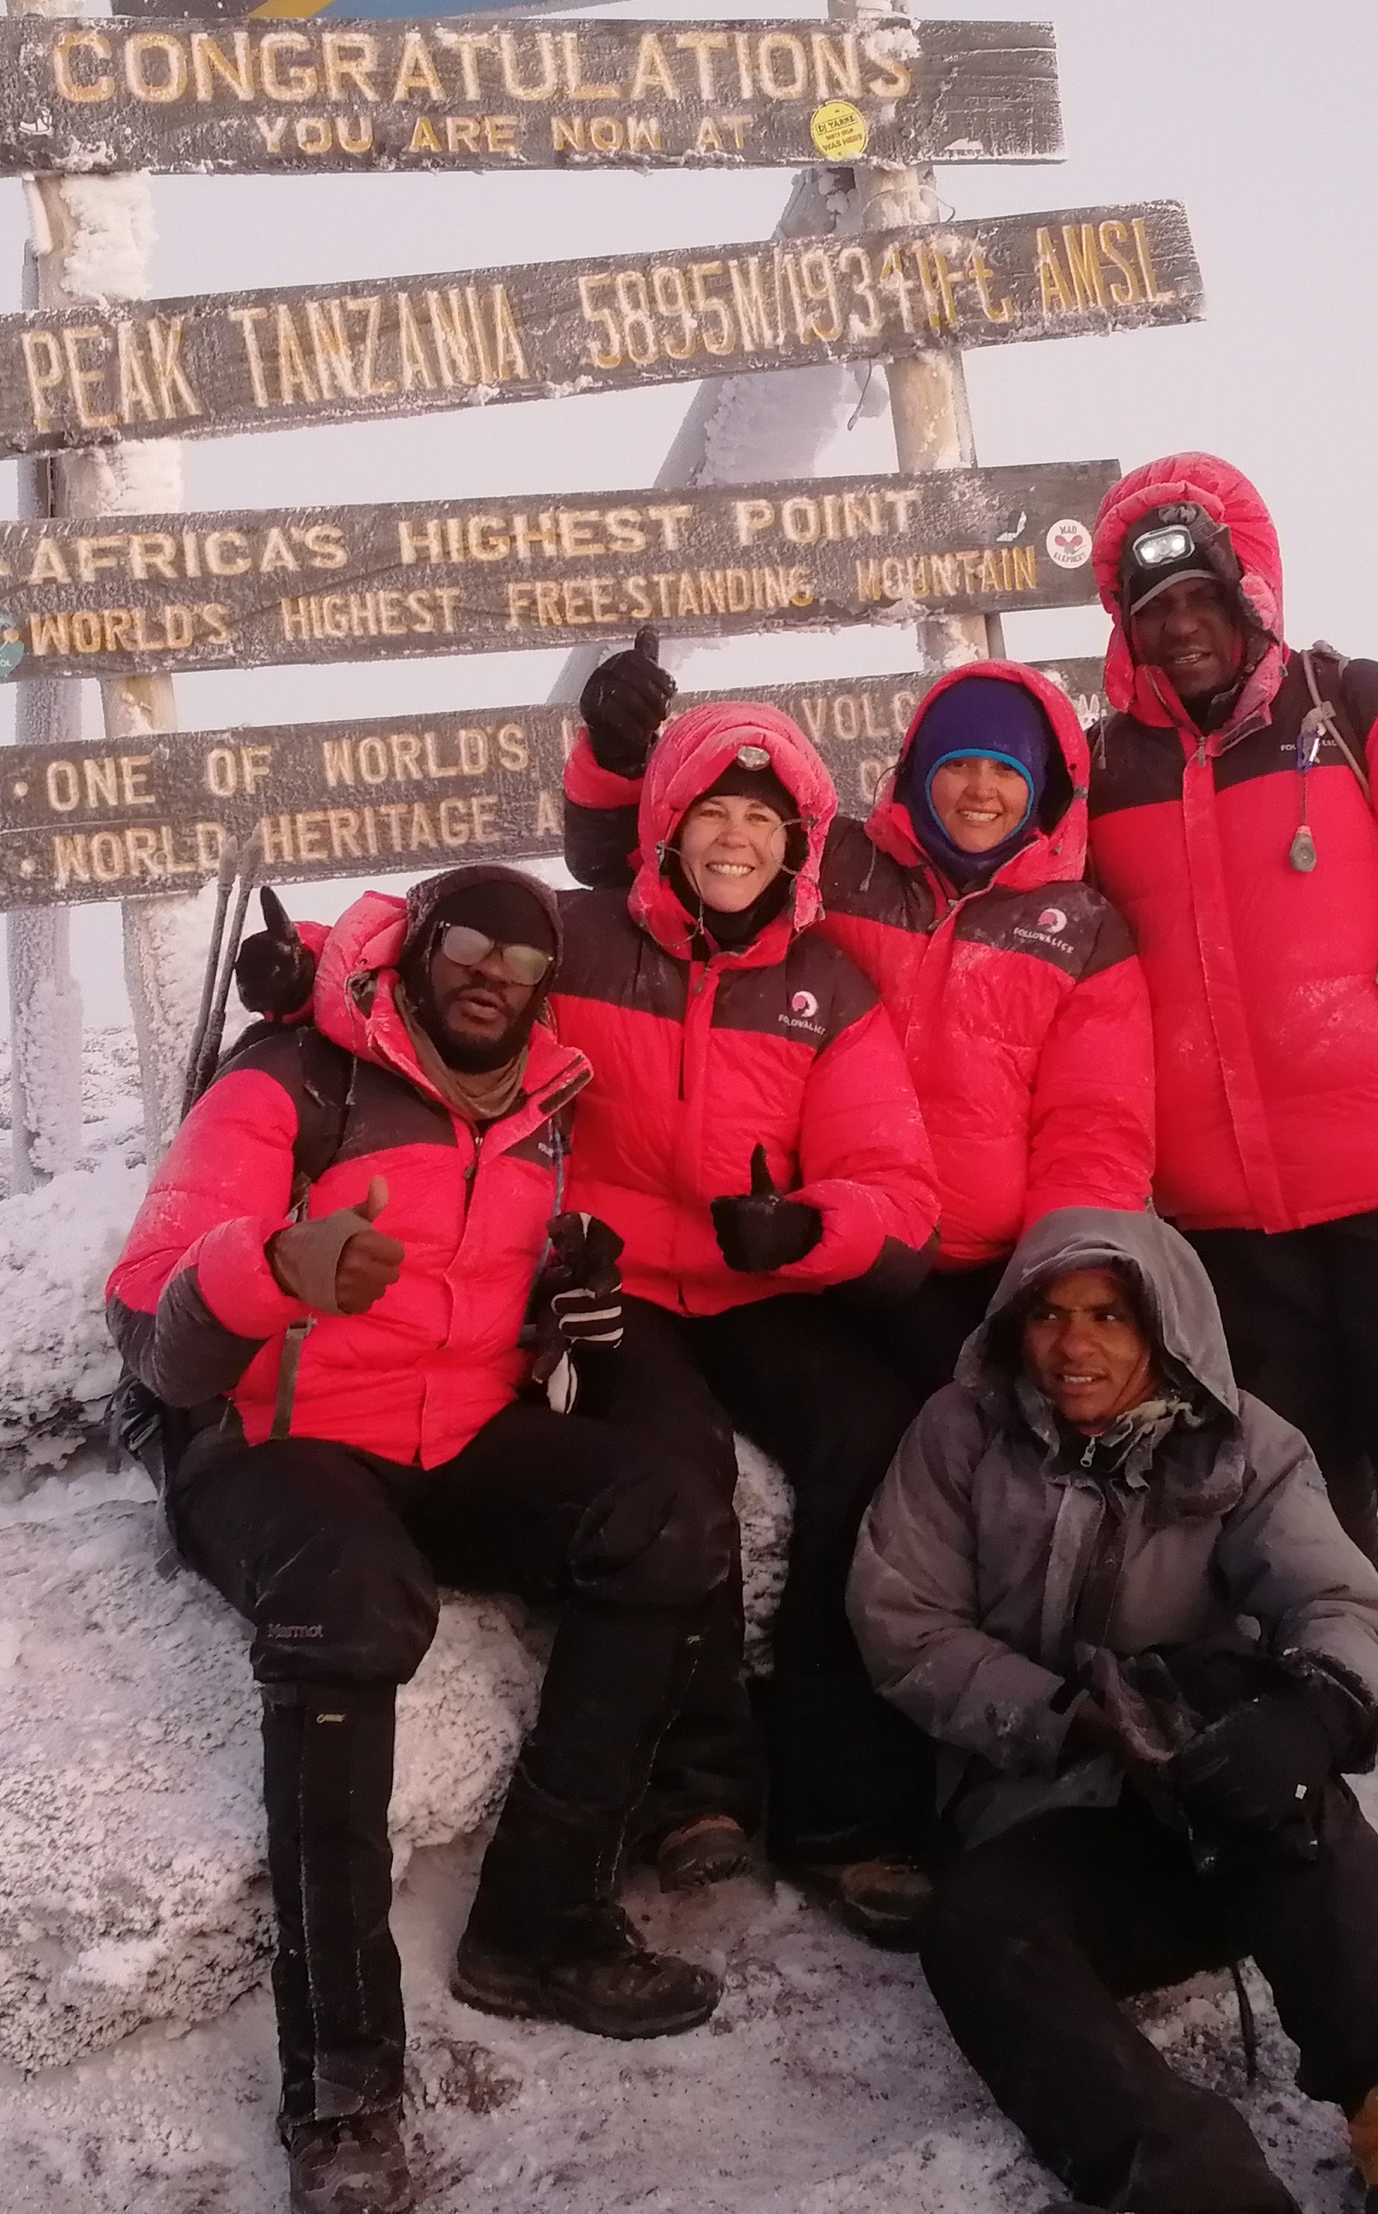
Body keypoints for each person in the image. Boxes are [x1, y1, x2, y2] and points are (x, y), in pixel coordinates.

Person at [111, 864, 732, 2214]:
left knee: (668, 1516)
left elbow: (489, 1295)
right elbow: (150, 1330)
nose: (491, 981)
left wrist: (560, 1301)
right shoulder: (288, 1083)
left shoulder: (545, 1103)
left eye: (523, 965)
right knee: (353, 1598)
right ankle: (341, 2079)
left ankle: (541, 1924)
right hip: (272, 1441)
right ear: (415, 952)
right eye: (464, 951)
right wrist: (272, 1269)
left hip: (455, 1436)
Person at [850, 1209, 1378, 2214]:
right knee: (976, 1931)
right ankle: (1195, 2186)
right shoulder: (962, 1432)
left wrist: (1316, 1713)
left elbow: (1339, 1601)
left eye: (1109, 1315)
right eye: (1049, 1315)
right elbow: (904, 1620)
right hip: (1043, 1804)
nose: (1073, 1345)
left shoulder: (1245, 1444)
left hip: (1212, 1792)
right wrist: (1066, 1714)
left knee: (1293, 1789)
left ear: (1168, 1328)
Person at [1081, 455, 1378, 1829]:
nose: (1181, 628)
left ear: (1250, 596)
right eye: (1152, 609)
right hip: (1219, 1198)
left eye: (1201, 598)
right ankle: (1354, 1681)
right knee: (1299, 1458)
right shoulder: (1102, 766)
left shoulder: (1355, 707)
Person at [532, 699, 948, 1940]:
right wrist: (307, 977)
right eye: (711, 811)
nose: (734, 839)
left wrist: (808, 1227)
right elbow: (426, 953)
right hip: (616, 1278)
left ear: (797, 843)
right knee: (677, 1463)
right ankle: (695, 1791)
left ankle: (841, 1815)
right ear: (664, 823)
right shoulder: (576, 941)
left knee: (872, 1437)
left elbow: (898, 1188)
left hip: (754, 1281)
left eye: (762, 821)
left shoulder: (827, 986)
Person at [563, 636, 1157, 1391]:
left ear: (1040, 787)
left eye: (1006, 770)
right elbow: (654, 855)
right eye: (958, 765)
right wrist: (616, 756)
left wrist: (1062, 1278)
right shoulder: (839, 865)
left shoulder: (1081, 930)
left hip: (990, 1269)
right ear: (917, 769)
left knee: (989, 1420)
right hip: (818, 1245)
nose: (980, 791)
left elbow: (1093, 1128)